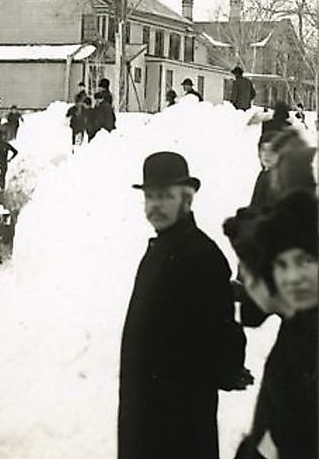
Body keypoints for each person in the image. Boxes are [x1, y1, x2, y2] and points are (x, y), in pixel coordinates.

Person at [119, 152, 249, 459]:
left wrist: (228, 371)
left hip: (177, 422)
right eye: (150, 196)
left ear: (187, 200)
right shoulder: (162, 247)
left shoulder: (200, 253)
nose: (155, 205)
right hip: (147, 412)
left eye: (165, 196)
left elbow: (222, 332)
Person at [225, 192, 318, 459]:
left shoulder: (304, 350)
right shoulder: (298, 330)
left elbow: (286, 436)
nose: (248, 287)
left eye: (249, 277)